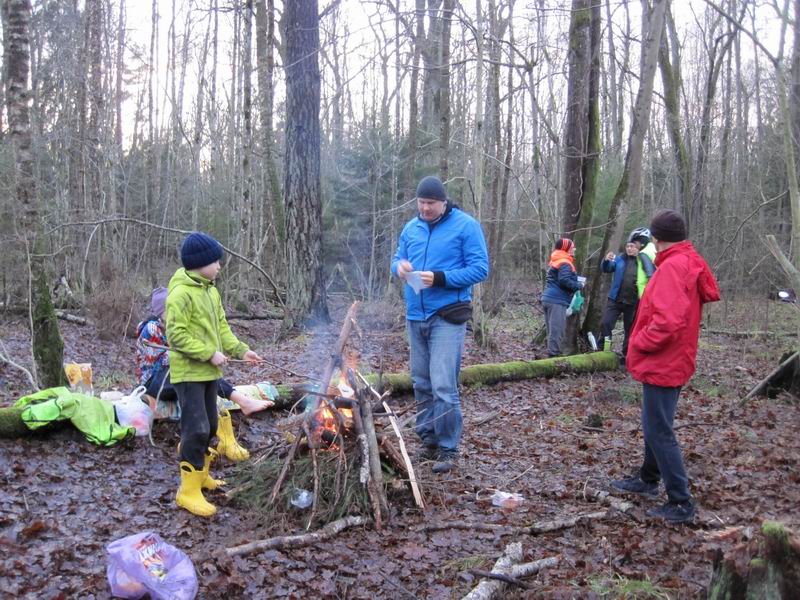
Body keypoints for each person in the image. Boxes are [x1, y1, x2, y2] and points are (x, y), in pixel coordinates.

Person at [611, 209, 720, 524]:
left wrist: (639, 341)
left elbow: (668, 321)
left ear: (656, 239)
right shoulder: (683, 260)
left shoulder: (674, 267)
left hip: (665, 358)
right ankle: (647, 478)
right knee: (653, 423)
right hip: (671, 358)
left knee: (659, 429)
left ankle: (681, 502)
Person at [391, 175, 489, 474]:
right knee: (421, 382)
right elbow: (397, 259)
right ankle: (428, 440)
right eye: (421, 203)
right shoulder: (412, 228)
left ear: (443, 202)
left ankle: (448, 447)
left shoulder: (465, 226)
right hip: (415, 315)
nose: (425, 208)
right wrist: (400, 267)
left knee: (444, 384)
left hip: (447, 316)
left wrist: (442, 277)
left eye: (430, 203)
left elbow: (480, 269)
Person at [166, 231, 263, 517]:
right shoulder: (180, 294)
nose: (220, 265)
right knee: (194, 429)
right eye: (215, 261)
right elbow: (176, 336)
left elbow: (222, 329)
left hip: (209, 374)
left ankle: (201, 476)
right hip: (188, 374)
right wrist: (209, 353)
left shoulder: (211, 290)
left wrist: (242, 350)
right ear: (199, 263)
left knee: (210, 425)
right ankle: (187, 491)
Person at [135, 287, 273, 416]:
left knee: (202, 373)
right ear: (162, 312)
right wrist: (198, 355)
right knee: (196, 368)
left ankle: (237, 404)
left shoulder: (178, 326)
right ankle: (244, 402)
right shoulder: (152, 329)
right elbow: (161, 363)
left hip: (174, 380)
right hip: (152, 383)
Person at [599, 227, 656, 357]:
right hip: (615, 299)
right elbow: (608, 268)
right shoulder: (620, 259)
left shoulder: (643, 260)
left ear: (638, 247)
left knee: (629, 330)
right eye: (627, 246)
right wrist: (606, 260)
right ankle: (604, 350)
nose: (629, 248)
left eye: (632, 246)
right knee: (606, 323)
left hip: (633, 302)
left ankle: (626, 355)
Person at [540, 238, 584, 357]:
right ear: (567, 248)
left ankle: (551, 355)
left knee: (552, 330)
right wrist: (578, 285)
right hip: (557, 300)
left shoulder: (556, 260)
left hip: (548, 298)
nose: (574, 249)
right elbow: (564, 280)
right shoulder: (565, 262)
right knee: (557, 330)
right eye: (572, 247)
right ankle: (554, 358)